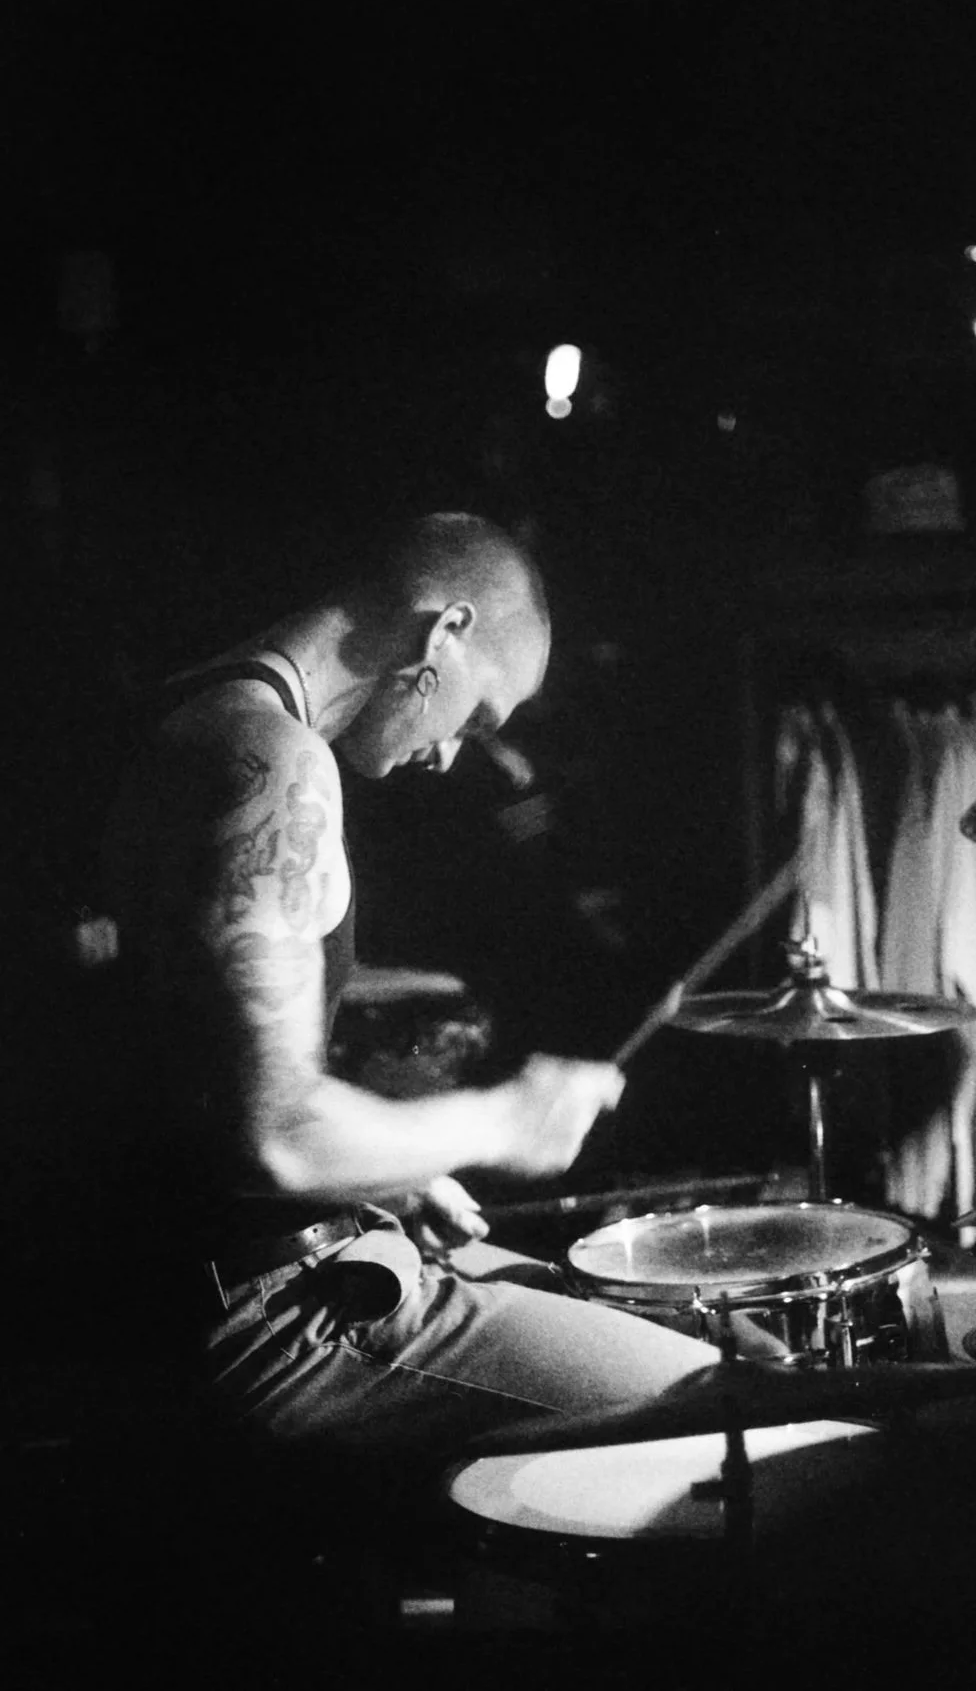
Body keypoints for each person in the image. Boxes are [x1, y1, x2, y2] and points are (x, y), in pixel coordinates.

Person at [101, 511, 718, 1494]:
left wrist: (392, 1165)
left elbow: (191, 1076)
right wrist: (502, 1117)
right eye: (478, 718)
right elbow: (277, 1137)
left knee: (620, 1314)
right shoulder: (273, 761)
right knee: (722, 1399)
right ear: (445, 632)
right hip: (273, 1319)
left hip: (210, 1272)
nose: (453, 755)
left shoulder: (189, 714)